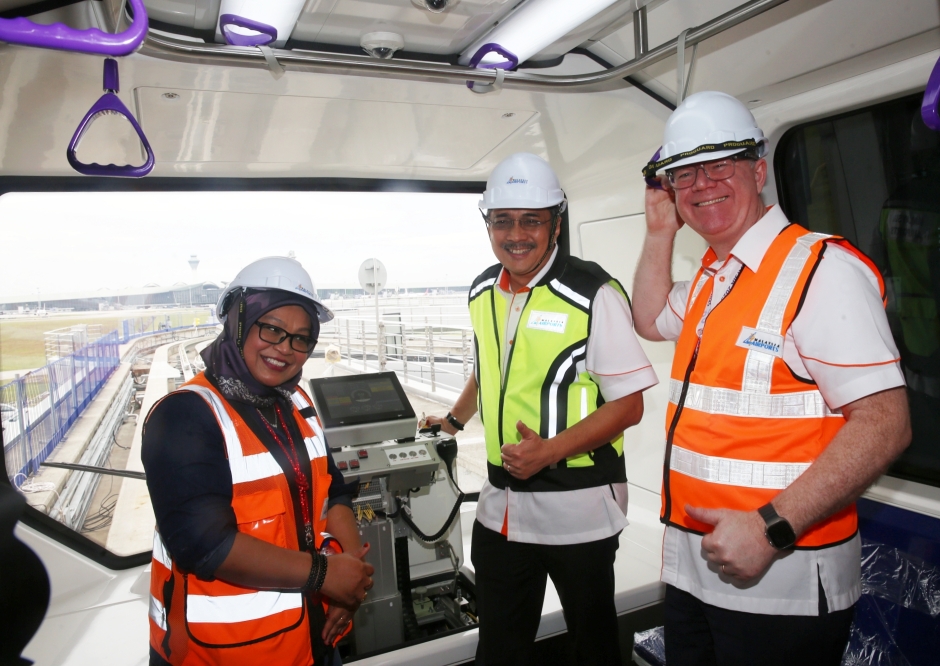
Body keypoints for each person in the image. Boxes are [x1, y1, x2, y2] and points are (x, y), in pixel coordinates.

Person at [632, 91, 912, 665]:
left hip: (781, 579)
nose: (702, 184)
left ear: (759, 171)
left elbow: (886, 424)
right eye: (685, 173)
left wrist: (770, 529)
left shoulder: (821, 270)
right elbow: (650, 317)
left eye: (720, 164)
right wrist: (660, 231)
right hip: (694, 570)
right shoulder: (715, 277)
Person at [426, 152, 658, 666]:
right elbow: (491, 365)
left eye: (532, 220)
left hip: (578, 509)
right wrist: (455, 419)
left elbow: (630, 405)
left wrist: (547, 452)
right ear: (488, 225)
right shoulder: (483, 289)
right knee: (500, 648)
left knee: (592, 646)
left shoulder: (593, 293)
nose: (516, 234)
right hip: (501, 508)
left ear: (555, 224)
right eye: (503, 221)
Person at [142, 256, 374, 666]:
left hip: (313, 642)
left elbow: (334, 492)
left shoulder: (298, 403)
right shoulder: (186, 416)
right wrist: (326, 576)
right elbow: (205, 545)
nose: (284, 349)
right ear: (237, 324)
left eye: (301, 338)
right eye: (271, 329)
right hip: (220, 656)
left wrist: (348, 587)